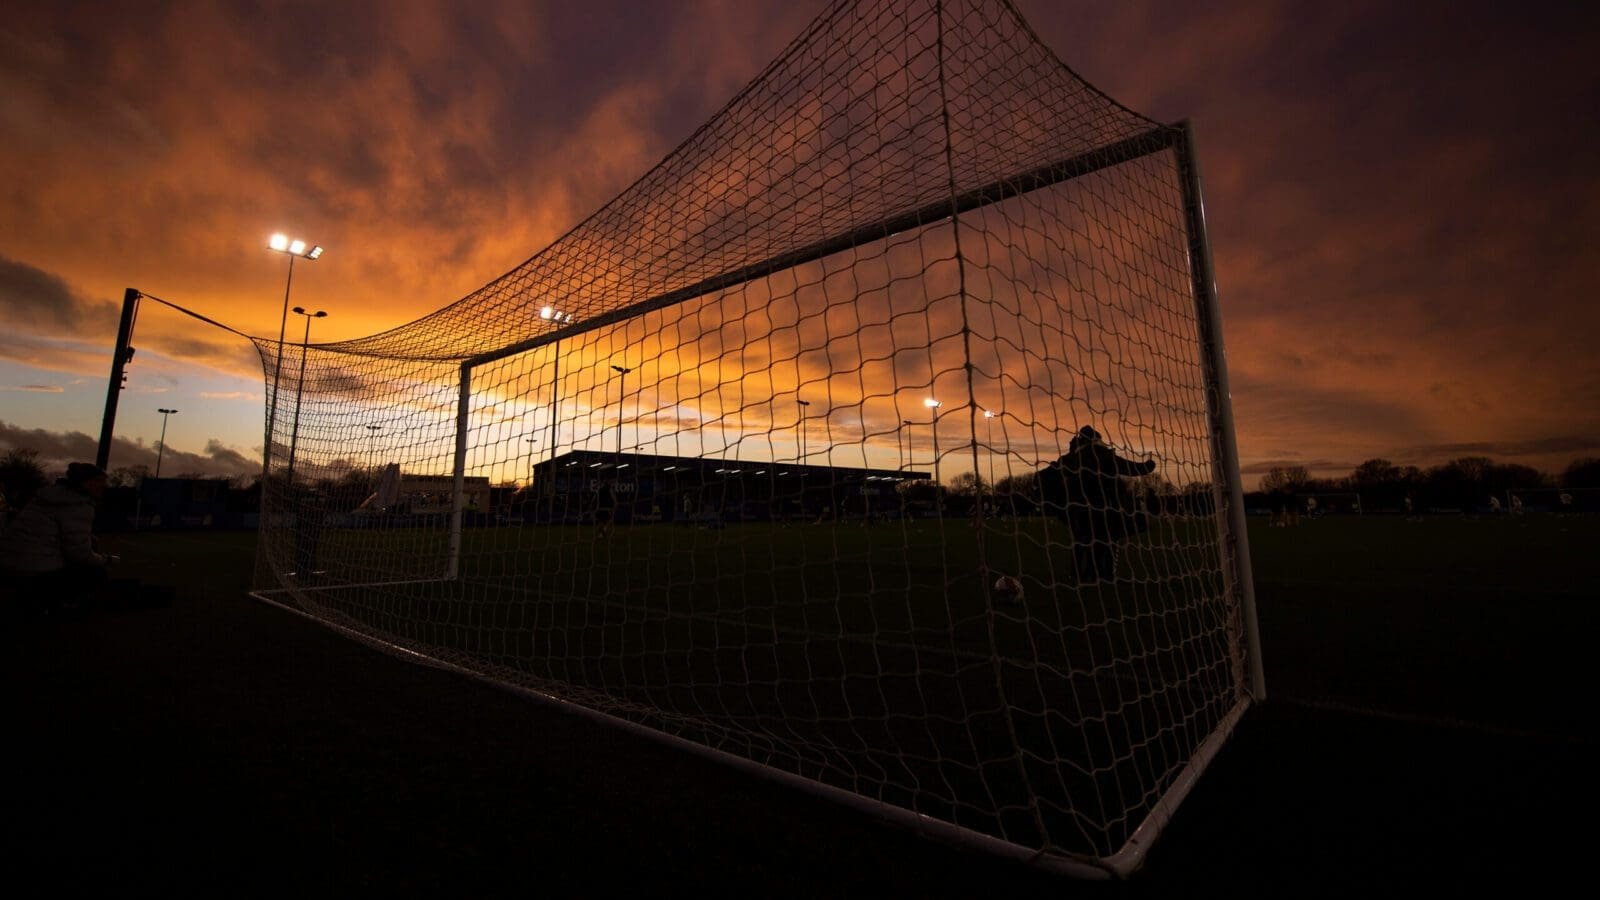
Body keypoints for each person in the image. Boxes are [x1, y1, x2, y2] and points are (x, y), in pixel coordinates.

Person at [1036, 426, 1156, 584]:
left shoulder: (1070, 459)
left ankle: (1079, 574)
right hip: (1103, 510)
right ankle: (1103, 575)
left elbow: (1044, 476)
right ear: (1096, 439)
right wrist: (1149, 465)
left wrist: (1051, 497)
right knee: (1106, 542)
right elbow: (1132, 468)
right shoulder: (1104, 455)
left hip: (1078, 511)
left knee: (1082, 541)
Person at [0, 462, 115, 614]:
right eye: (100, 482)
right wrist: (105, 560)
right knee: (95, 573)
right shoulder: (79, 506)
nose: (103, 487)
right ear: (89, 482)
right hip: (35, 571)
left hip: (7, 563)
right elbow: (80, 554)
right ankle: (62, 603)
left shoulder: (47, 496)